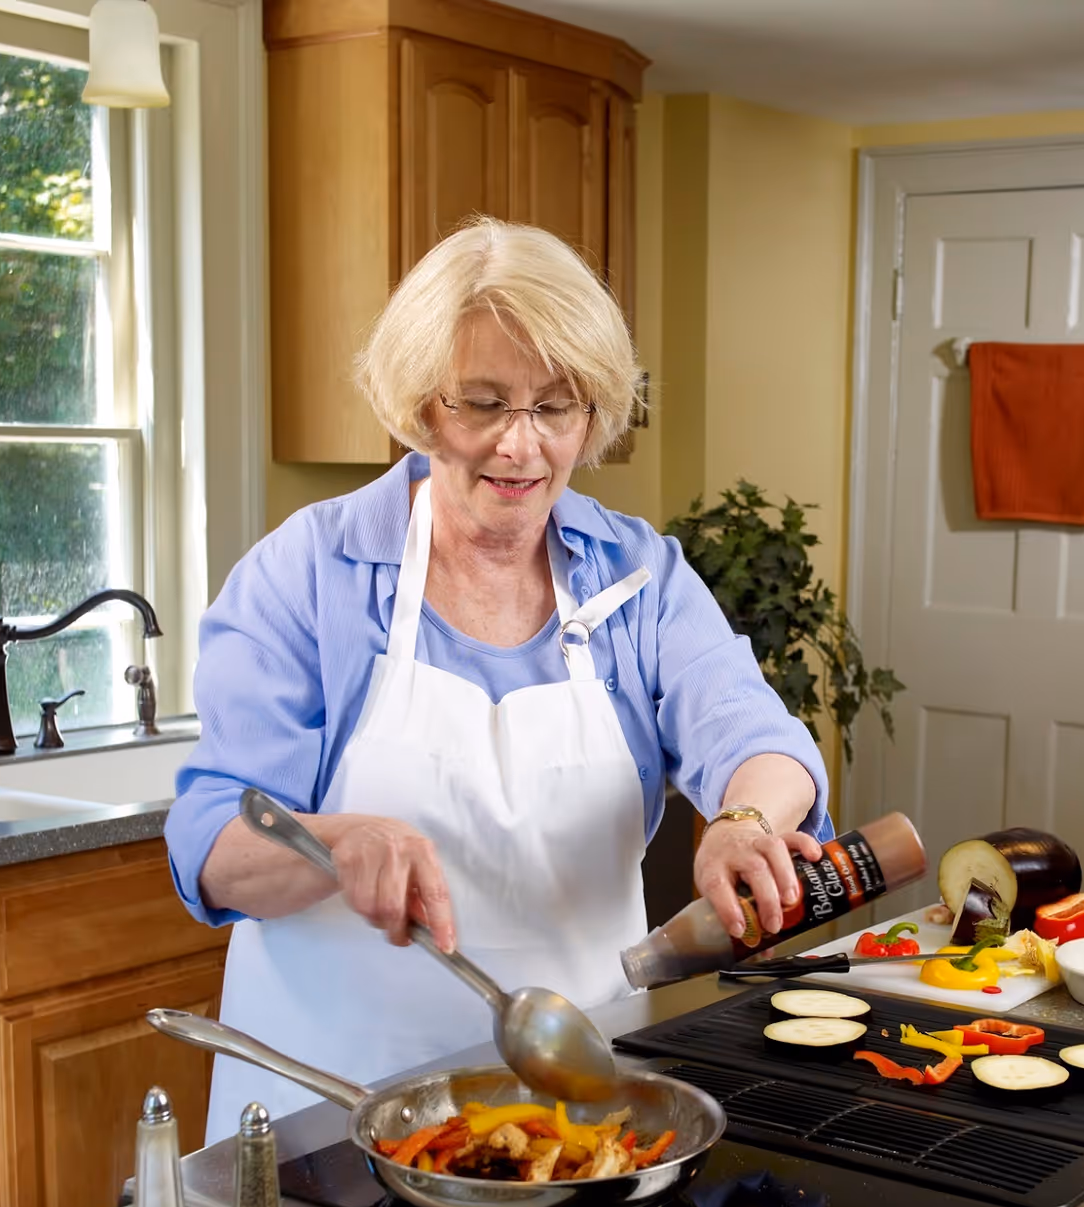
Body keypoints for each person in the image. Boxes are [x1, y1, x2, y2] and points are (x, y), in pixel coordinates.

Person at [168, 219, 831, 1143]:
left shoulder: (634, 575)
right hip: (324, 1113)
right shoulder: (310, 572)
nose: (521, 447)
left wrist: (742, 822)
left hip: (574, 1109)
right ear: (419, 404)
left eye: (556, 408)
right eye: (482, 404)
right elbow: (211, 844)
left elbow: (760, 738)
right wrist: (330, 844)